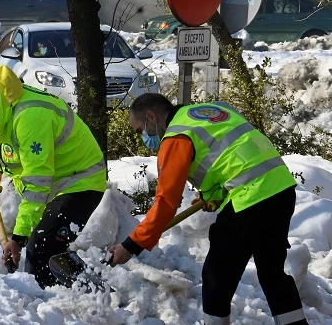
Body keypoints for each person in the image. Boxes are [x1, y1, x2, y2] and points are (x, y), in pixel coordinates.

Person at [108, 94, 305, 325]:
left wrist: (130, 245)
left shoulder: (176, 137)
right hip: (280, 189)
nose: (143, 137)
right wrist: (214, 194)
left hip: (251, 198)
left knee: (216, 275)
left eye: (140, 129)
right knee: (272, 274)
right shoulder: (209, 113)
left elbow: (166, 203)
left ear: (151, 117)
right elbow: (231, 156)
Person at [0, 67, 107, 287]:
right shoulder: (1, 107)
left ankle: (69, 301)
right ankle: (82, 294)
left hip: (81, 182)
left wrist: (18, 239)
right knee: (47, 247)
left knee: (41, 244)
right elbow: (6, 146)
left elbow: (37, 185)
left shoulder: (30, 116)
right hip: (60, 183)